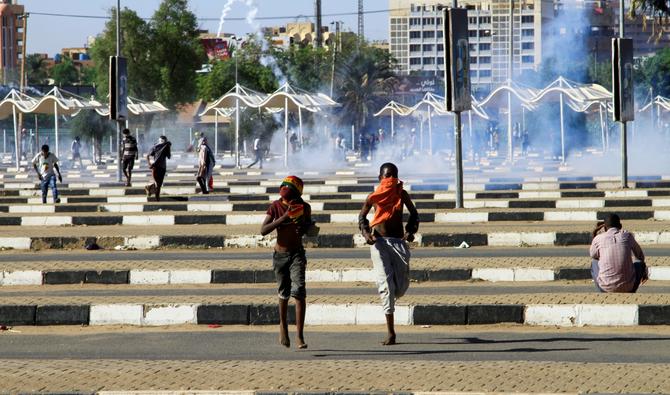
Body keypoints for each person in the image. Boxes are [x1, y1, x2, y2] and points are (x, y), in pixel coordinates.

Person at [358, 163, 419, 345]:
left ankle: (393, 296)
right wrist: (366, 233)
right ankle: (391, 332)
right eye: (386, 176)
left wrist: (410, 230)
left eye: (393, 176)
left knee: (399, 288)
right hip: (379, 244)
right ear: (380, 178)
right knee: (385, 286)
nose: (389, 179)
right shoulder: (374, 197)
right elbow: (362, 217)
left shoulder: (402, 195)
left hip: (398, 242)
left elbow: (414, 213)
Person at [260, 176, 313, 349]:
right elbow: (263, 230)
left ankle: (300, 335)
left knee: (299, 292)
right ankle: (283, 325)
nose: (288, 198)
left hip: (297, 254)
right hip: (280, 255)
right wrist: (283, 218)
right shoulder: (275, 207)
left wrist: (303, 224)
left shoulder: (304, 207)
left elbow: (309, 230)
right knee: (284, 293)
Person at [590, 213, 648, 293]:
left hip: (605, 288)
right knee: (639, 263)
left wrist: (595, 235)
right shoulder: (627, 236)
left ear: (605, 227)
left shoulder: (598, 238)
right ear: (620, 225)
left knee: (594, 262)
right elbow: (640, 256)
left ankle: (604, 289)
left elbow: (594, 255)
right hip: (629, 287)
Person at [145, 136, 171, 202]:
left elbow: (148, 155)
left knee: (158, 184)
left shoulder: (159, 146)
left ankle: (154, 195)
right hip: (159, 167)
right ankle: (155, 196)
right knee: (158, 184)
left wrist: (149, 164)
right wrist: (149, 164)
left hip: (158, 167)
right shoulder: (163, 145)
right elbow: (169, 156)